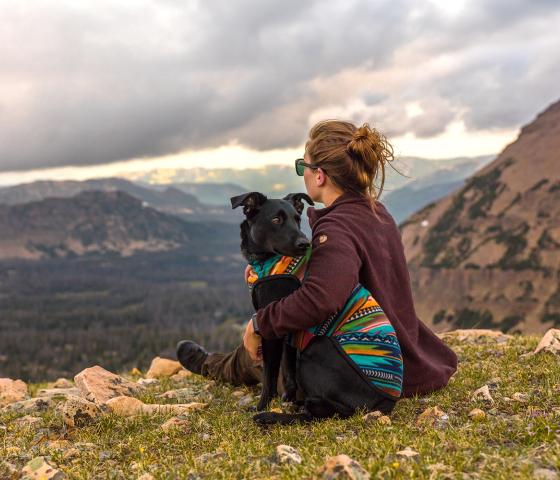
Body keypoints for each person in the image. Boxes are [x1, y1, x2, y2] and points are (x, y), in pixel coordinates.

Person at [176, 119, 458, 404]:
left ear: (320, 175)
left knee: (257, 354)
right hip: (402, 350)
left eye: (303, 166)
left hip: (361, 367)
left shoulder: (337, 227)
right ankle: (219, 361)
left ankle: (210, 365)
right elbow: (344, 278)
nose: (303, 175)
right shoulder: (377, 212)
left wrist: (258, 323)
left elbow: (320, 300)